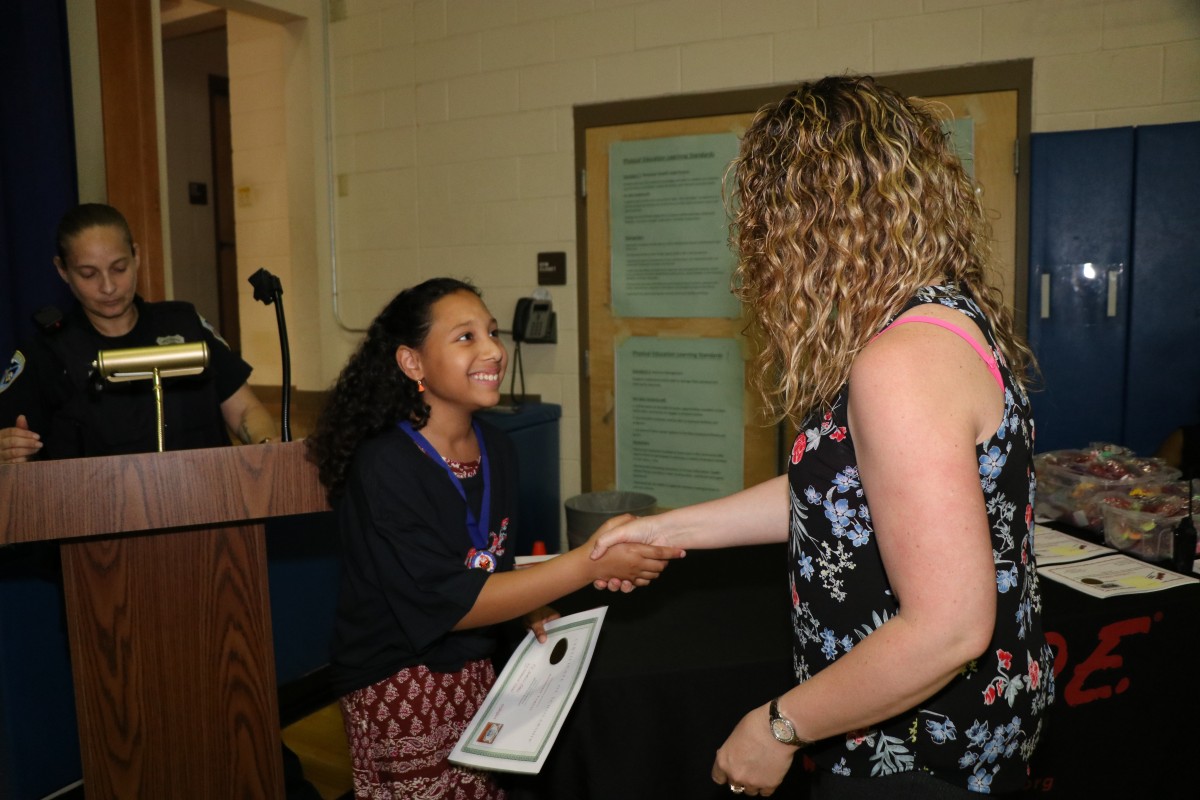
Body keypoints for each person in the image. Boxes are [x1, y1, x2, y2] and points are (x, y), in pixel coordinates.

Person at [591, 75, 1055, 798]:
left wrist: (778, 726)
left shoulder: (900, 361)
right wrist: (663, 529)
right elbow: (839, 494)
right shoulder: (937, 320)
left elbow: (949, 629)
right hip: (941, 735)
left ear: (811, 220)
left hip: (920, 757)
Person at [306, 277, 682, 799]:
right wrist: (590, 564)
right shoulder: (387, 464)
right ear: (412, 363)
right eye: (465, 337)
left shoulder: (497, 447)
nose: (493, 351)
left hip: (473, 664)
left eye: (492, 332)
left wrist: (525, 606)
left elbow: (484, 564)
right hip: (396, 674)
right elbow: (450, 602)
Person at [0, 203, 275, 463]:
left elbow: (245, 411)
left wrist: (266, 444)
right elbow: (10, 441)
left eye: (119, 268)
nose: (108, 287)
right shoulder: (46, 352)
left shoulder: (184, 324)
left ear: (137, 255)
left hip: (205, 496)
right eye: (88, 274)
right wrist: (8, 450)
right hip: (98, 506)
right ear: (63, 270)